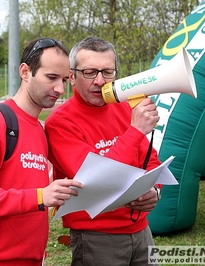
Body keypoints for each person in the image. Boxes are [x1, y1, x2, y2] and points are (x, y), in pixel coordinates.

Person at [0, 38, 83, 266]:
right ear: (25, 72)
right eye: (51, 77)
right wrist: (40, 197)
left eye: (64, 80)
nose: (60, 89)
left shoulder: (39, 129)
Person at [45, 36, 162, 266]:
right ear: (72, 76)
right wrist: (135, 130)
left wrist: (155, 191)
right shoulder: (60, 123)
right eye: (90, 72)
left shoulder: (124, 106)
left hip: (142, 231)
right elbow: (97, 180)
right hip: (96, 237)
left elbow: (151, 161)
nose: (100, 81)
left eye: (107, 72)